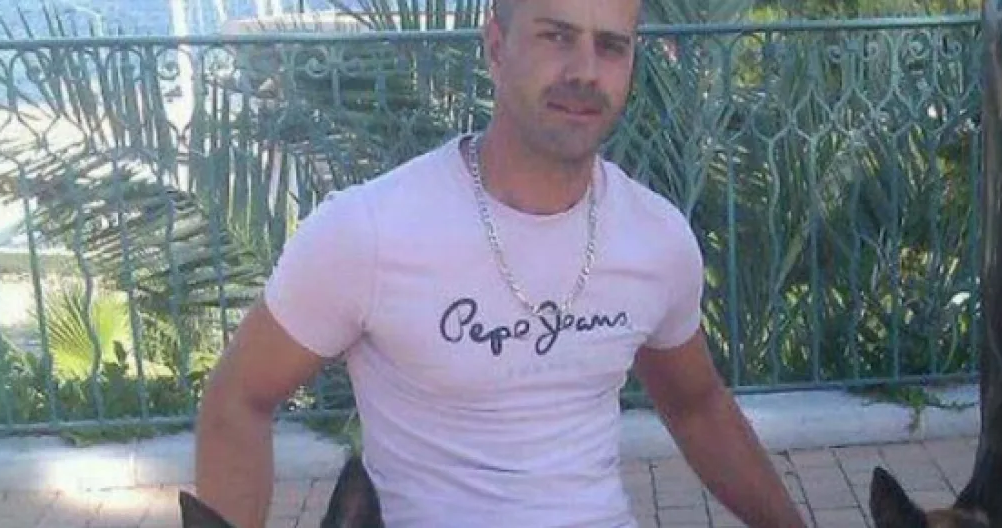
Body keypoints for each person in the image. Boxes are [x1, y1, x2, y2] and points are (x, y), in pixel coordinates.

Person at [193, 0, 809, 526]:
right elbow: (239, 396)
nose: (585, 71)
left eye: (611, 46)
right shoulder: (370, 231)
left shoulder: (655, 238)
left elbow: (697, 405)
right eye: (556, 36)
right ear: (496, 47)